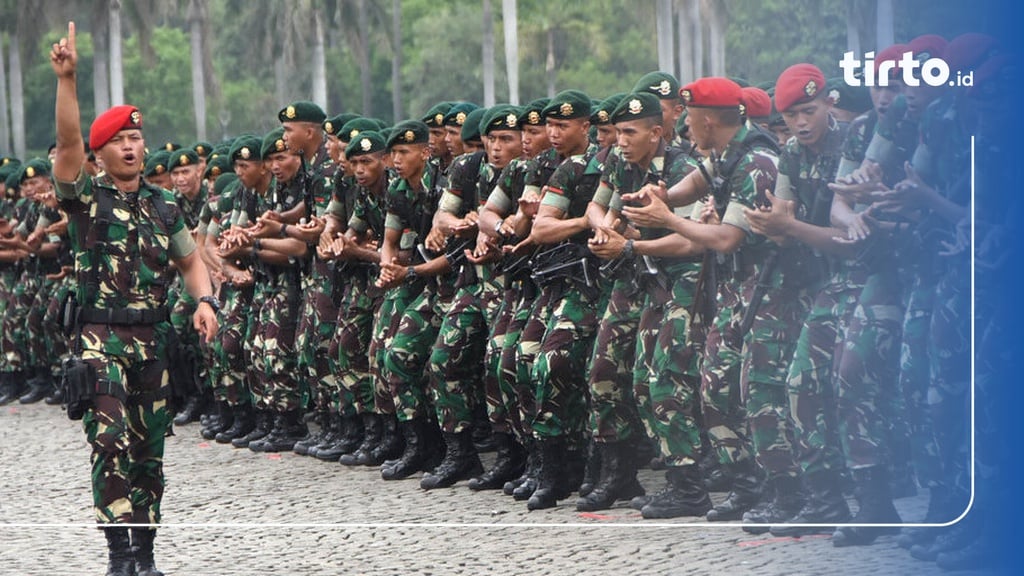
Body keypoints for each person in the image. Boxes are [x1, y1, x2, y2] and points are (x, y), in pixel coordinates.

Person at [49, 22, 217, 576]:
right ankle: (119, 554)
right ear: (100, 154)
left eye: (136, 138)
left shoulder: (166, 206)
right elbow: (68, 143)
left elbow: (190, 260)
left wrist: (204, 303)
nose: (131, 146)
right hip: (100, 341)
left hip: (152, 342)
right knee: (110, 441)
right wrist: (67, 80)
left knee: (150, 452)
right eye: (119, 140)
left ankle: (145, 554)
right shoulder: (85, 198)